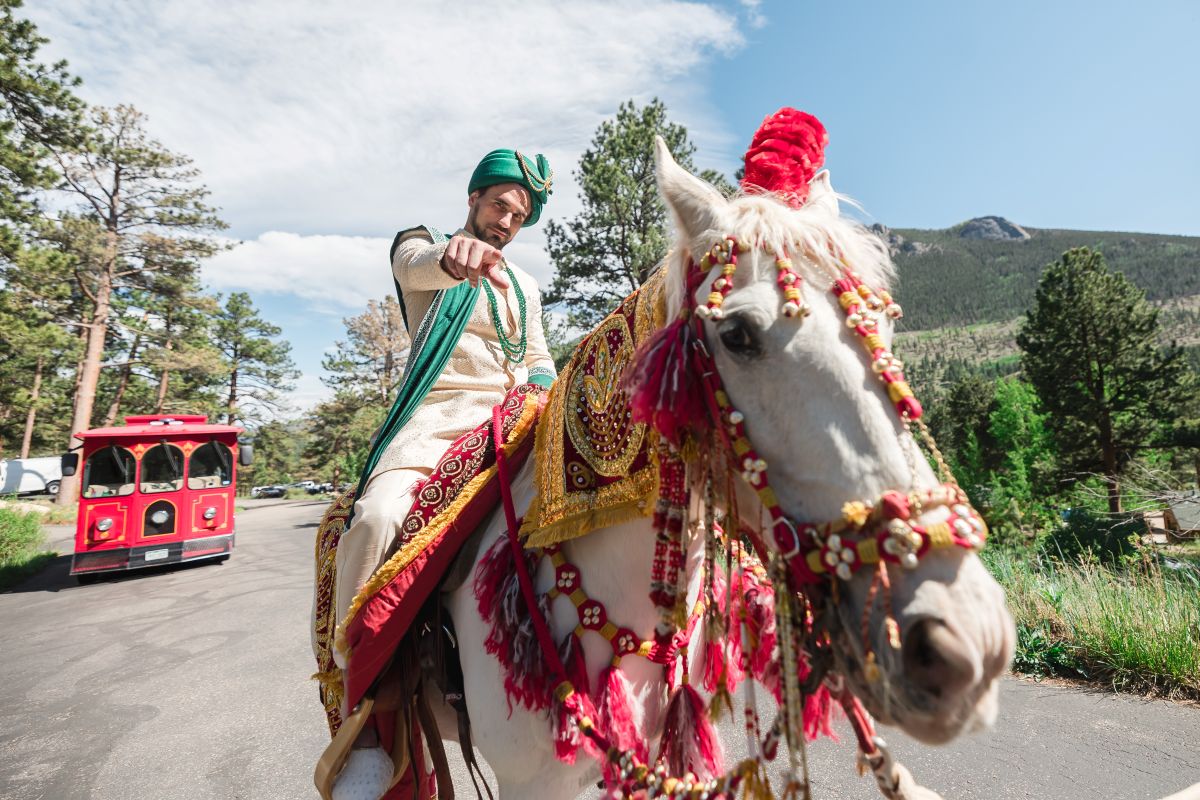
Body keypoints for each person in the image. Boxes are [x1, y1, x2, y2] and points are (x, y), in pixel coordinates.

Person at [322, 149, 557, 800]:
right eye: (499, 206)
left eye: (520, 215)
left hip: (513, 422)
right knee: (375, 519)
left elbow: (539, 356)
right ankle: (366, 706)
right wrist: (453, 257)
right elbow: (415, 263)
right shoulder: (426, 251)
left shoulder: (526, 286)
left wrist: (549, 392)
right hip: (436, 424)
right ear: (474, 200)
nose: (507, 222)